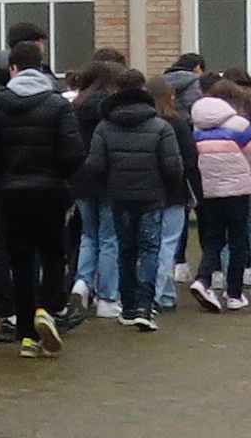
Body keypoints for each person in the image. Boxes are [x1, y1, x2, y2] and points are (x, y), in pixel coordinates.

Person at [0, 23, 82, 354]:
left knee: (19, 260)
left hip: (10, 194)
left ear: (13, 68)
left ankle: (26, 335)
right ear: (41, 67)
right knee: (53, 254)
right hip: (50, 192)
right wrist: (61, 178)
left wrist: (1, 179)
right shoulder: (58, 104)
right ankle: (46, 311)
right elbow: (73, 152)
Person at [79, 63, 186, 327]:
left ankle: (125, 307)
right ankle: (144, 306)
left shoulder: (104, 127)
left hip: (118, 197)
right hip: (152, 198)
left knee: (125, 250)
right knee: (150, 249)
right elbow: (174, 167)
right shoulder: (162, 127)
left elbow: (95, 166)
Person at [186, 75, 251, 308]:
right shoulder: (240, 125)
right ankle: (234, 294)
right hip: (237, 190)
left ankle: (203, 278)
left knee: (213, 238)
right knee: (238, 239)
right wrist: (245, 175)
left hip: (208, 191)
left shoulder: (196, 127)